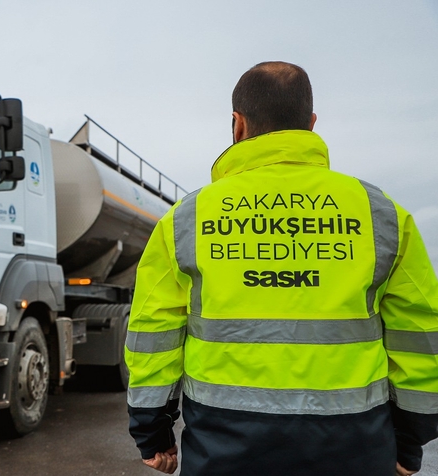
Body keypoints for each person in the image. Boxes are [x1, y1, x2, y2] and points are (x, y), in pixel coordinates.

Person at [126, 61, 438, 476]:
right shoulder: (382, 215)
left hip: (224, 445)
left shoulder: (186, 220)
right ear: (310, 124)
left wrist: (153, 433)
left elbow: (154, 334)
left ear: (237, 125)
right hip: (355, 445)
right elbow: (418, 336)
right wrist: (410, 441)